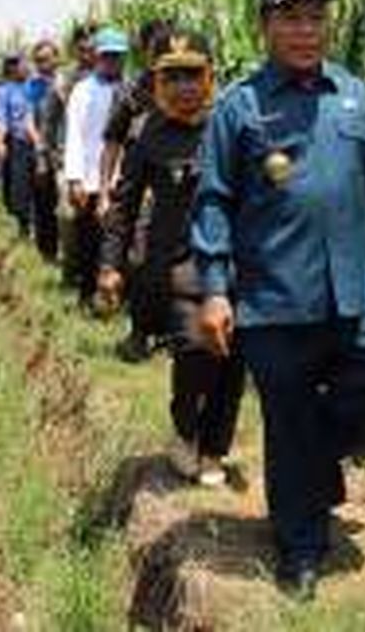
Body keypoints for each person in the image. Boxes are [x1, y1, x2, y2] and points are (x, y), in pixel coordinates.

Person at [190, 0, 365, 600]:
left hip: (358, 285)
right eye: (290, 17)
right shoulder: (239, 105)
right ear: (265, 26)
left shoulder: (353, 95)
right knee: (288, 419)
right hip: (274, 296)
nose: (305, 29)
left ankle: (310, 466)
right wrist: (214, 288)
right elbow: (212, 201)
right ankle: (301, 549)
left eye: (315, 17)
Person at [98, 32, 244, 487]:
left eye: (192, 75)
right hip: (176, 265)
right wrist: (109, 265)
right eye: (172, 76)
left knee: (230, 361)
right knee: (194, 347)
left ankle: (215, 448)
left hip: (235, 262)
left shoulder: (231, 126)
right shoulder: (148, 136)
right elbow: (124, 204)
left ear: (210, 77)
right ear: (157, 80)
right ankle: (185, 431)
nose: (184, 86)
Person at [100, 19, 174, 362]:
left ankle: (172, 332)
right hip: (143, 187)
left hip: (183, 189)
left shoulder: (194, 84)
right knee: (143, 259)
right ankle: (141, 331)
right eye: (157, 51)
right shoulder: (135, 92)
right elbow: (112, 141)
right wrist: (104, 190)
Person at [63, 26, 128, 305]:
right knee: (88, 240)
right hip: (89, 177)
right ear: (97, 57)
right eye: (107, 56)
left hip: (122, 178)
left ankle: (118, 298)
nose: (113, 61)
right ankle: (86, 295)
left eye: (118, 56)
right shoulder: (83, 90)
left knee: (117, 242)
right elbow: (74, 134)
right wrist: (74, 178)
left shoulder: (130, 90)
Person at [52, 23, 99, 287]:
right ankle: (71, 272)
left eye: (92, 48)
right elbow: (52, 120)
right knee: (69, 216)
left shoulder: (115, 77)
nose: (87, 54)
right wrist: (46, 154)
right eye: (82, 49)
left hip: (102, 161)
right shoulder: (66, 79)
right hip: (69, 158)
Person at [0, 53, 38, 235]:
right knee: (20, 187)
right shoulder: (4, 91)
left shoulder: (30, 87)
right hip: (18, 143)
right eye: (22, 65)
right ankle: (24, 226)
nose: (26, 67)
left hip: (37, 142)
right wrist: (0, 144)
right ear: (12, 69)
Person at [28, 40, 63, 261]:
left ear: (57, 58)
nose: (42, 64)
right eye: (38, 60)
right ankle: (47, 251)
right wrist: (40, 146)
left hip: (66, 151)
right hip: (44, 150)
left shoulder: (66, 82)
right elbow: (29, 119)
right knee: (44, 201)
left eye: (46, 58)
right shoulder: (33, 86)